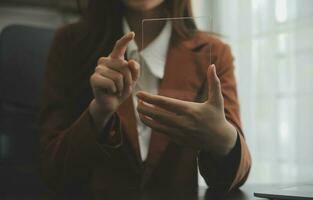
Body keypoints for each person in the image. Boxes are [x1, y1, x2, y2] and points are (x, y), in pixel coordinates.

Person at [39, 0, 251, 198]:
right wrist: (99, 113)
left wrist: (222, 138)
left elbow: (233, 178)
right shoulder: (70, 45)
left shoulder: (213, 53)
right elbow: (53, 173)